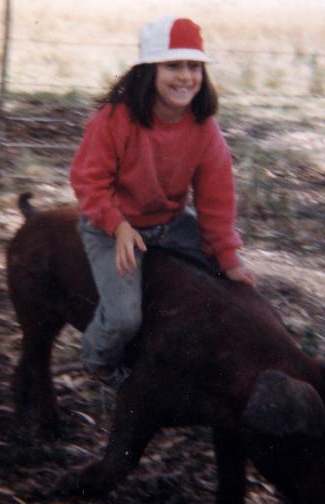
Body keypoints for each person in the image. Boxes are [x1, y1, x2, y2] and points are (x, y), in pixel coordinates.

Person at [70, 16, 255, 387]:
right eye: (173, 66)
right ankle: (97, 360)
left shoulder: (204, 128)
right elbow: (89, 181)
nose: (185, 77)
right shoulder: (115, 119)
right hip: (112, 227)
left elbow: (216, 200)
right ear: (148, 70)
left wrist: (228, 255)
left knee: (230, 282)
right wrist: (117, 225)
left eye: (194, 66)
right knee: (123, 318)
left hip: (169, 224)